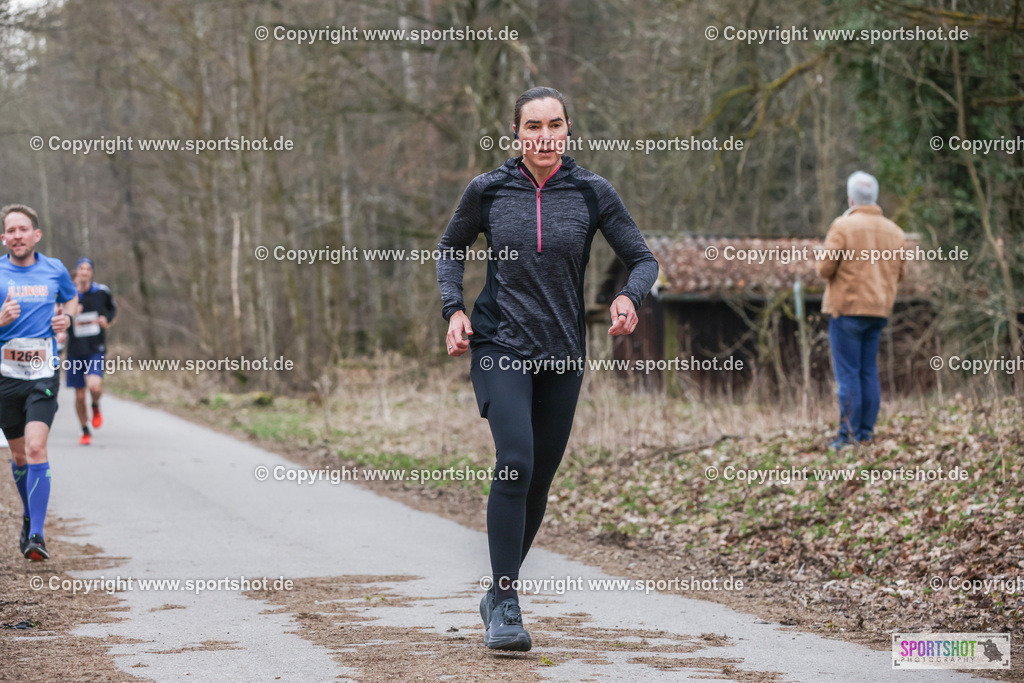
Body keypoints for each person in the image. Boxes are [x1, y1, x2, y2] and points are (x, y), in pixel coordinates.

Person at [437, 87, 658, 651]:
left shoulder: (591, 192)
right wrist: (454, 308)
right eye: (532, 126)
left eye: (554, 125)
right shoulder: (487, 191)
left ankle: (495, 591)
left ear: (567, 130)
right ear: (516, 134)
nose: (543, 136)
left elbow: (643, 257)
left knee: (538, 477)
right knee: (515, 460)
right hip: (500, 343)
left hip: (561, 350)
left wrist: (630, 296)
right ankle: (507, 605)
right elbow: (450, 248)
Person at [0, 204, 77, 561]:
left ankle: (36, 536)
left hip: (43, 372)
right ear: (4, 238)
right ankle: (31, 512)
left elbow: (71, 298)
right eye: (10, 230)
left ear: (36, 235)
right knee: (18, 456)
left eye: (22, 229)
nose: (17, 235)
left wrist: (67, 320)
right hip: (6, 379)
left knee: (34, 449)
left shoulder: (54, 269)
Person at [817, 171, 906, 450]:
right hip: (879, 310)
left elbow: (824, 268)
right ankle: (865, 432)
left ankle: (848, 436)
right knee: (868, 371)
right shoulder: (895, 231)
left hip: (847, 310)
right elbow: (901, 274)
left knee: (848, 375)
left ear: (850, 198)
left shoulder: (842, 226)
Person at [65, 257, 116, 445]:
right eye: (81, 268)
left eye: (88, 269)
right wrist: (70, 314)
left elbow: (112, 310)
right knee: (79, 395)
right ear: (77, 271)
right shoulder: (69, 295)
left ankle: (95, 405)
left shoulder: (102, 292)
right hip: (75, 350)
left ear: (92, 272)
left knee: (94, 386)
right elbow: (59, 317)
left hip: (96, 348)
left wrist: (106, 321)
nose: (84, 272)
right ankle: (85, 430)